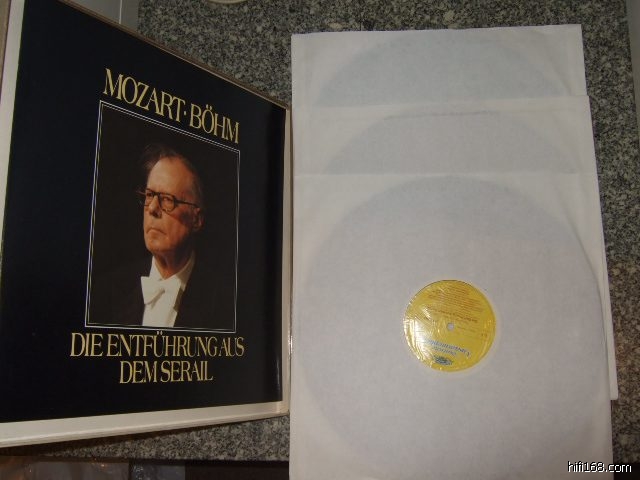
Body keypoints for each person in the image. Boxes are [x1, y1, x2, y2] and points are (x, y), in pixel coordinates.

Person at [89, 144, 235, 330]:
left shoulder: (226, 304)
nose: (152, 208)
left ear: (196, 219)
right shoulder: (106, 292)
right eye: (149, 195)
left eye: (167, 199)